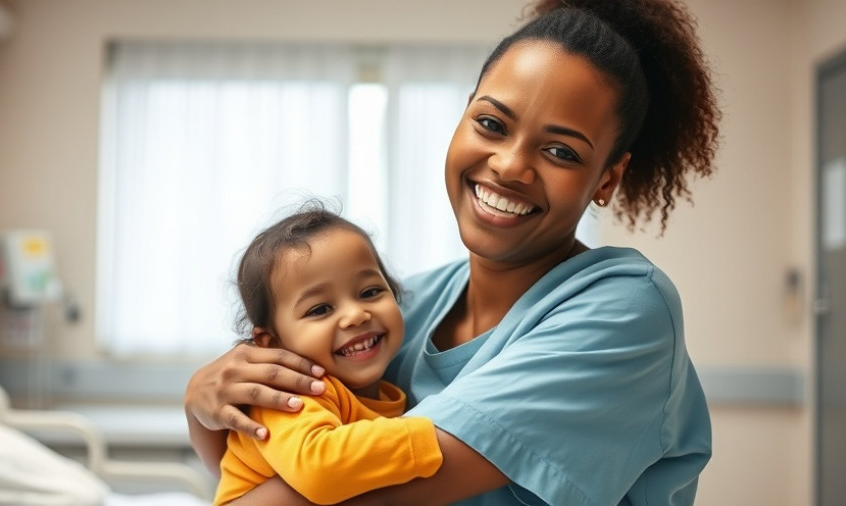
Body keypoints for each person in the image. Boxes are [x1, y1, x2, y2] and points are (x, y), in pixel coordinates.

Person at [185, 0, 722, 503]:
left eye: (560, 151)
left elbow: (348, 491)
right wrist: (202, 405)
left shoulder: (623, 313)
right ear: (464, 115)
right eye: (491, 124)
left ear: (607, 178)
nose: (510, 166)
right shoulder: (400, 309)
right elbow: (250, 461)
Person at [213, 205, 443, 505]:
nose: (356, 315)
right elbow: (320, 470)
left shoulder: (388, 392)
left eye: (370, 292)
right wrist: (434, 437)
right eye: (320, 309)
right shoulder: (285, 396)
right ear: (271, 343)